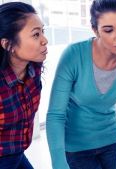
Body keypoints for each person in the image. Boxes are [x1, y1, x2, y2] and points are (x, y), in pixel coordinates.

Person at [46, 0, 116, 169]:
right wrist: (58, 162)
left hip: (112, 142)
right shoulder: (73, 55)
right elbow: (56, 115)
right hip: (76, 147)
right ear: (95, 30)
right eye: (109, 30)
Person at [0, 2, 48, 169]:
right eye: (36, 35)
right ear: (8, 45)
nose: (45, 40)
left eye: (43, 31)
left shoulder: (33, 66)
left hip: (16, 153)